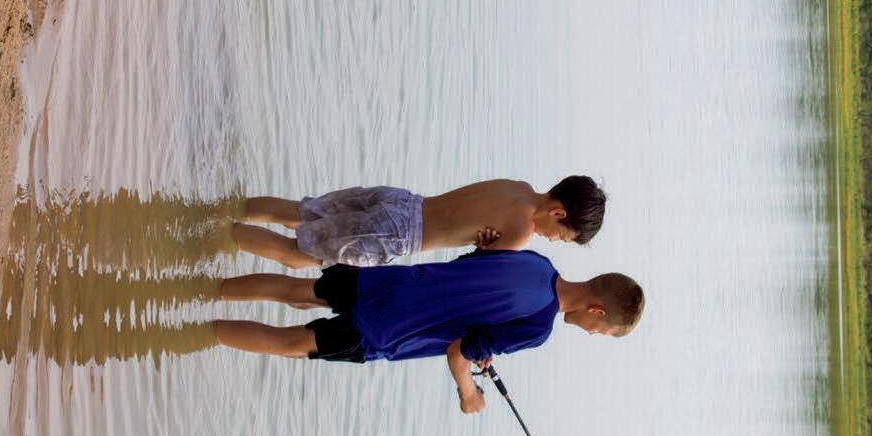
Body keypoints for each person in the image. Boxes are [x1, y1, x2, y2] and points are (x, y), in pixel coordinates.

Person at [210, 247, 645, 410]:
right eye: (600, 330)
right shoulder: (538, 328)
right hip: (388, 329)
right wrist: (469, 394)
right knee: (291, 342)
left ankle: (202, 290)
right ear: (597, 310)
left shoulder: (537, 262)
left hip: (393, 284)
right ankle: (200, 331)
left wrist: (479, 344)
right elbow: (458, 351)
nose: (592, 333)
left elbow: (471, 269)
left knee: (297, 290)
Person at [228, 175, 606, 270]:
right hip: (399, 233)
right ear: (559, 213)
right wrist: (484, 249)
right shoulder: (522, 232)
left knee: (300, 211)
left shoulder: (518, 186)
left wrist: (483, 243)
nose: (552, 239)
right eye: (561, 236)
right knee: (299, 254)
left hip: (403, 200)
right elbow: (473, 272)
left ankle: (220, 210)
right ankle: (219, 233)